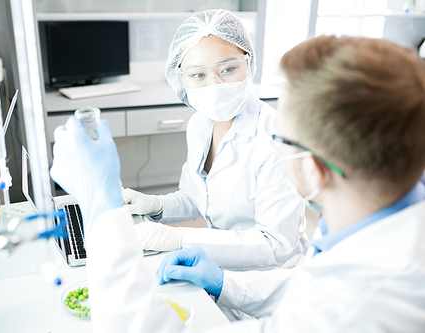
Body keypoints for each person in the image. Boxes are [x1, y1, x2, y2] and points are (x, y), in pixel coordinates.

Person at [51, 34, 425, 332]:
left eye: (280, 137)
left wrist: (103, 212)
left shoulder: (349, 310)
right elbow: (309, 286)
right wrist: (221, 282)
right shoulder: (386, 238)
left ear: (313, 169)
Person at [122, 9, 306, 272]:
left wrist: (179, 239)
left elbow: (274, 246)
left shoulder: (277, 140)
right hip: (221, 264)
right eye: (198, 75)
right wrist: (156, 205)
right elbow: (197, 198)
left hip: (272, 280)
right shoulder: (199, 125)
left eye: (229, 68)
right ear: (180, 78)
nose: (215, 85)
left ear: (249, 64)